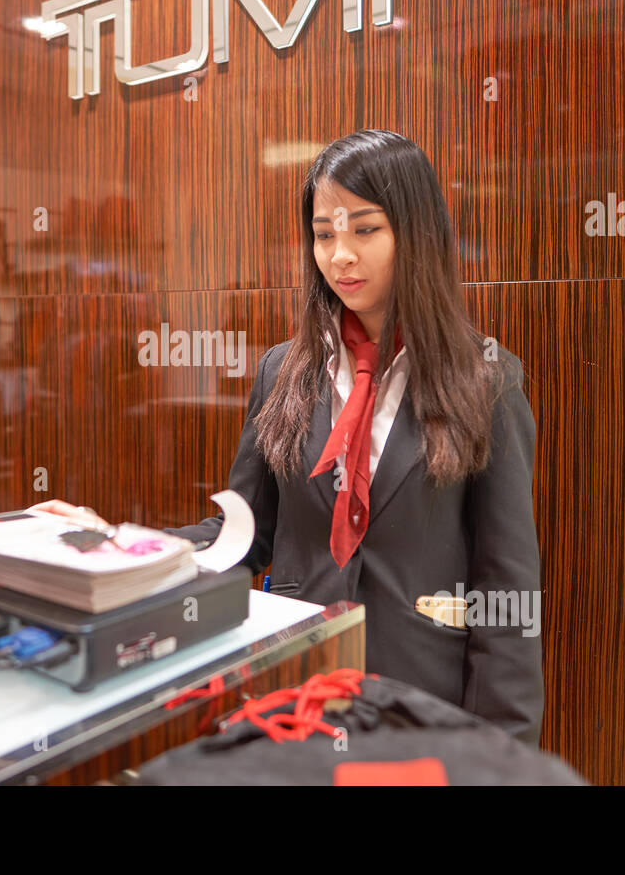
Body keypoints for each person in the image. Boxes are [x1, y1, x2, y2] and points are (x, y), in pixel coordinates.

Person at [34, 129, 544, 745]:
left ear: (417, 233)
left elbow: (508, 592)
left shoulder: (485, 381)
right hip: (298, 693)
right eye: (324, 235)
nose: (340, 255)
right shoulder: (284, 371)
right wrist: (119, 546)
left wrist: (501, 755)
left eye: (365, 229)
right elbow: (241, 535)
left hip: (421, 707)